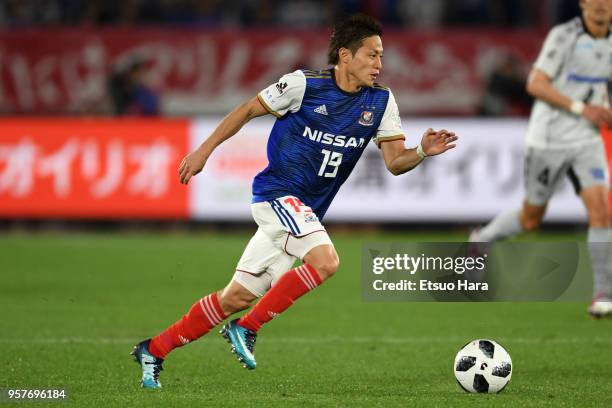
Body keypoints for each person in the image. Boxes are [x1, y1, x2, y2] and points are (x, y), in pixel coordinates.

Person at [132, 14, 457, 389]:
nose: (379, 64)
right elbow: (247, 109)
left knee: (235, 296)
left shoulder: (381, 102)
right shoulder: (304, 85)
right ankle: (248, 329)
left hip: (302, 213)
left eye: (381, 56)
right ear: (345, 56)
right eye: (371, 55)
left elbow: (396, 162)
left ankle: (154, 349)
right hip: (276, 196)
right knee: (326, 261)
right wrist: (204, 151)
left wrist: (422, 151)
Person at [470, 0, 612, 317]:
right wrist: (581, 108)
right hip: (549, 138)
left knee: (601, 211)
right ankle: (482, 239)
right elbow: (535, 83)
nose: (602, 4)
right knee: (532, 218)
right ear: (583, 3)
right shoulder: (565, 36)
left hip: (586, 138)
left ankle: (602, 293)